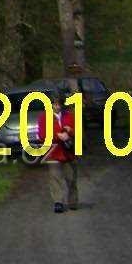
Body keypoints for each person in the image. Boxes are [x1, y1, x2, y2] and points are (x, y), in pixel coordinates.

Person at [49, 71, 80, 213]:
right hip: (54, 152)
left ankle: (73, 201)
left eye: (59, 104)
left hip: (68, 151)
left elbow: (77, 131)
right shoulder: (45, 118)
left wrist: (70, 132)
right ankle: (58, 202)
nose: (57, 106)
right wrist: (58, 135)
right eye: (54, 104)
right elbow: (43, 134)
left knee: (71, 178)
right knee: (55, 178)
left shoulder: (69, 116)